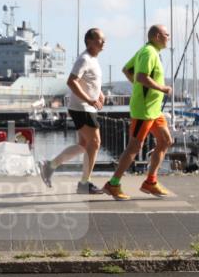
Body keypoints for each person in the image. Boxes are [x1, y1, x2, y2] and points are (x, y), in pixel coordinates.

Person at [103, 25, 174, 200]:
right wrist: (162, 88)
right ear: (157, 36)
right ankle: (113, 184)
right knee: (135, 146)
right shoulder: (149, 52)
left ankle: (151, 181)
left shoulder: (151, 51)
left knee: (165, 141)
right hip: (144, 110)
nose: (169, 37)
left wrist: (140, 87)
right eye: (167, 34)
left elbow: (127, 70)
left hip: (154, 110)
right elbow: (141, 77)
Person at [39, 28, 106, 194]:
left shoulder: (93, 59)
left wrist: (99, 93)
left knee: (84, 145)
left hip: (85, 107)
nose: (103, 42)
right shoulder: (84, 59)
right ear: (89, 41)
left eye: (104, 39)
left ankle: (50, 166)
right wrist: (89, 99)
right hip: (82, 108)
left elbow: (88, 81)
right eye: (99, 39)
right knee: (95, 142)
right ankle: (84, 183)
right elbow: (72, 81)